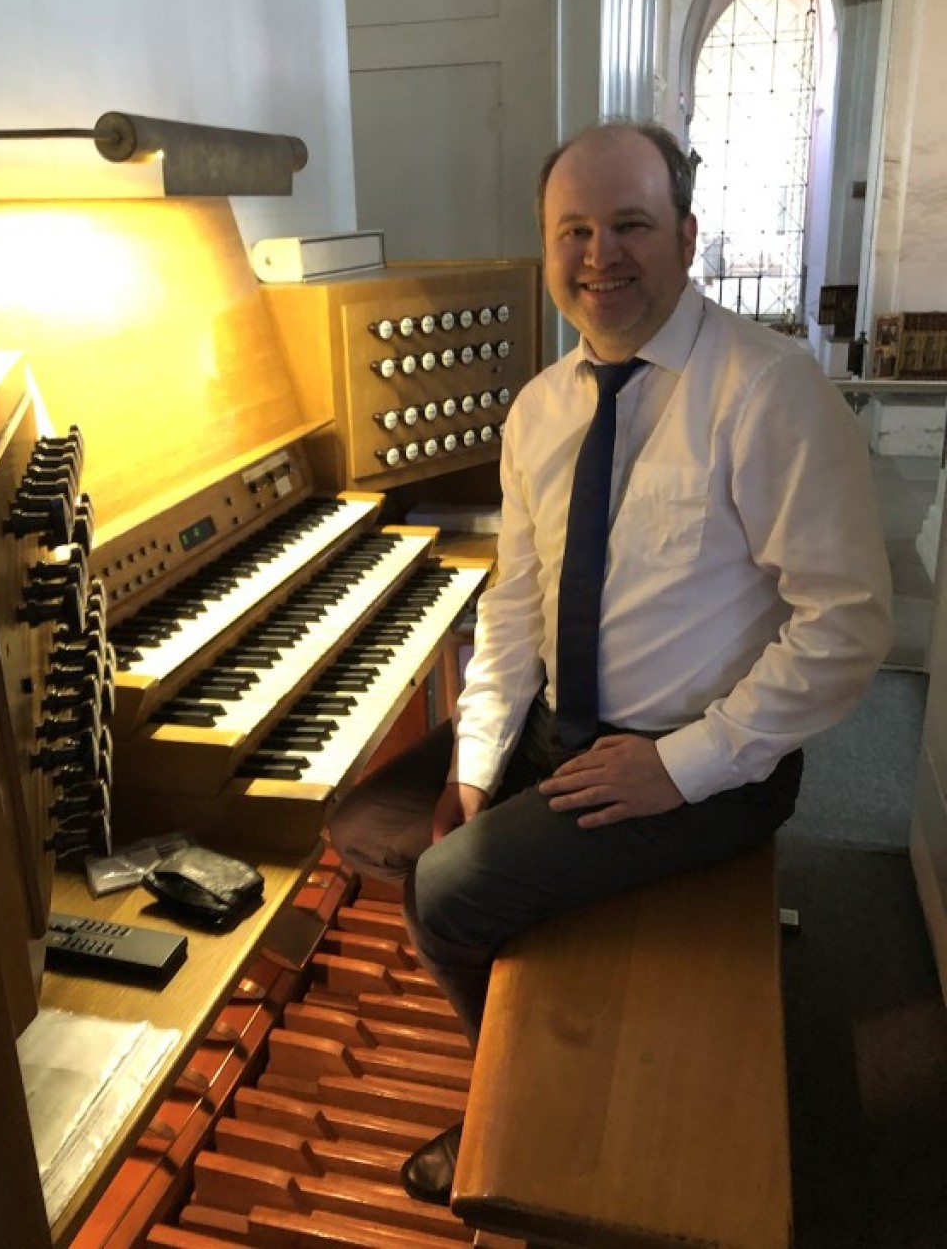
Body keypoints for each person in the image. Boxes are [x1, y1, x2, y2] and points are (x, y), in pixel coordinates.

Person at [326, 118, 893, 1206]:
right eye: (573, 231)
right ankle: (537, 1024)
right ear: (547, 248)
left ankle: (517, 1115)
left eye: (629, 225)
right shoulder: (541, 407)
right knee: (365, 825)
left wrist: (678, 766)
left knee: (444, 893)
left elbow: (846, 625)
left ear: (686, 236)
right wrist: (477, 768)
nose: (599, 256)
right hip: (562, 726)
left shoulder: (767, 390)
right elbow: (516, 604)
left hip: (702, 760)